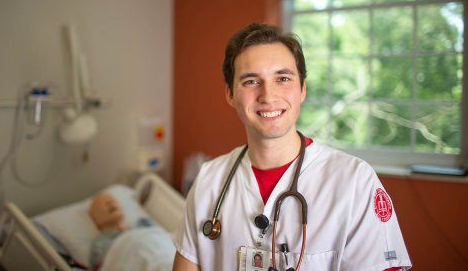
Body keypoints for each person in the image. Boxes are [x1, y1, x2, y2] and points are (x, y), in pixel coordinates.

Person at [172, 23, 412, 270]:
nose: (268, 95)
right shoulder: (209, 179)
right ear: (230, 94)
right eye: (251, 81)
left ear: (302, 90)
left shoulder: (354, 181)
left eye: (283, 78)